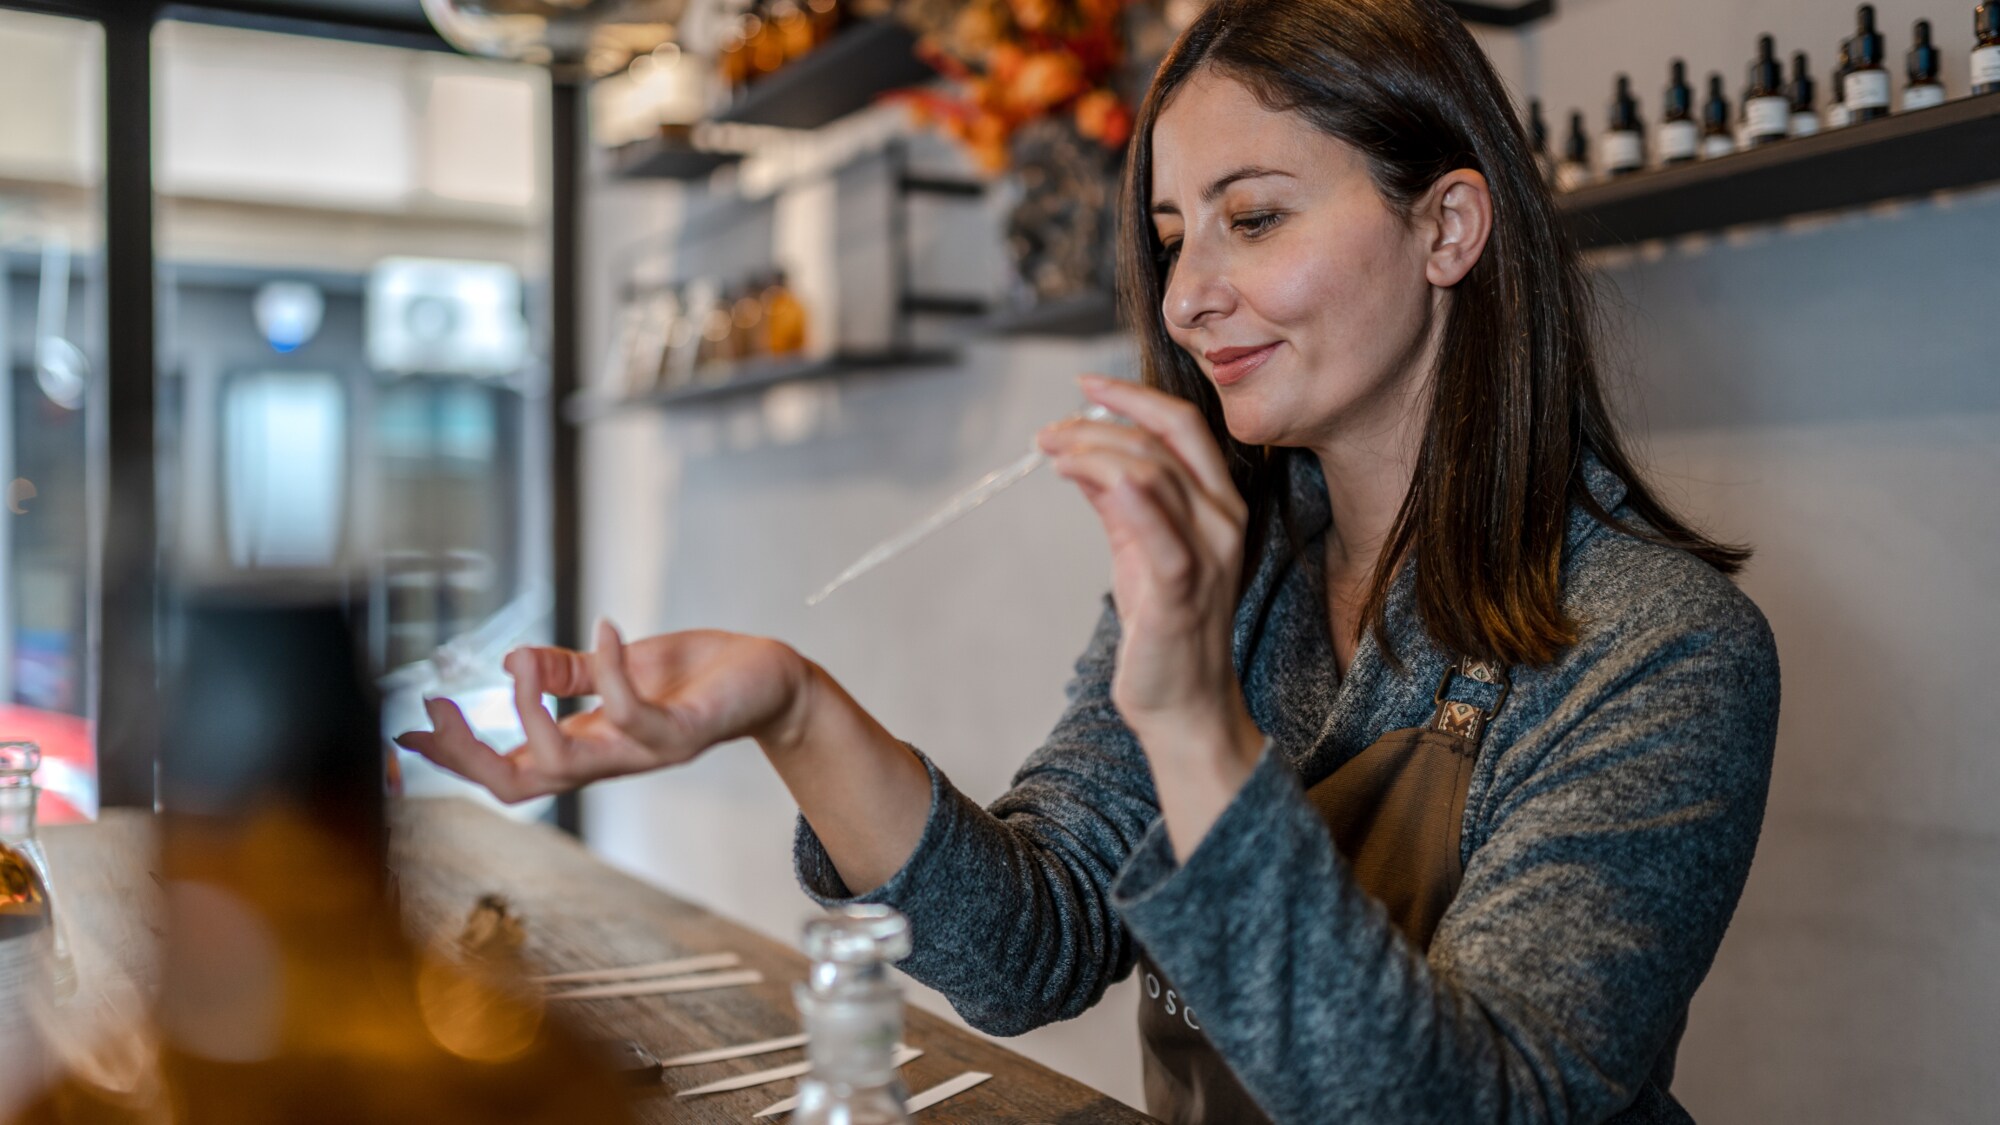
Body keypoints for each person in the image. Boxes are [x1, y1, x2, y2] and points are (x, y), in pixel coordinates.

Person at [399, 0, 1781, 1120]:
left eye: (1254, 218)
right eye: (1174, 238)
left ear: (1447, 228)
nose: (1185, 298)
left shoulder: (1661, 647)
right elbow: (1025, 947)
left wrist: (1192, 721)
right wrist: (793, 706)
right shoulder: (1229, 580)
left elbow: (1463, 1107)